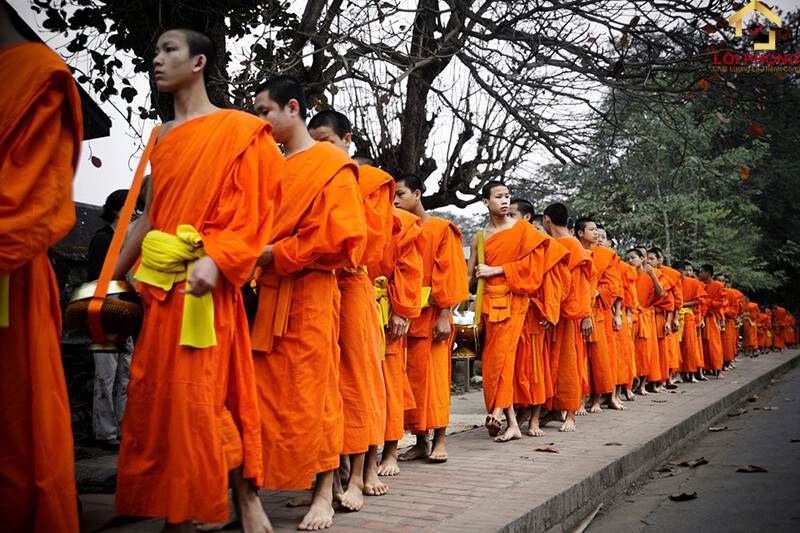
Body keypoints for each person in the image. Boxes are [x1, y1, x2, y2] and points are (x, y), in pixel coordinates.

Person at [112, 28, 282, 531]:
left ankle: (245, 499)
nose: (156, 60)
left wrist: (219, 256)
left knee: (204, 396)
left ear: (199, 62)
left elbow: (257, 209)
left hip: (206, 289)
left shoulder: (238, 128)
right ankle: (177, 504)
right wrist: (108, 281)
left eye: (168, 50)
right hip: (160, 289)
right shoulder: (162, 136)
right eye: (155, 51)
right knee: (156, 399)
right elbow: (147, 218)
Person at [250, 75, 366, 530]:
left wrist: (278, 253)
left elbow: (342, 236)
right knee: (263, 398)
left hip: (313, 293)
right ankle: (252, 494)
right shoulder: (269, 166)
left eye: (265, 112)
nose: (261, 121)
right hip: (268, 294)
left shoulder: (331, 163)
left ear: (291, 108)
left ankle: (323, 492)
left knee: (315, 395)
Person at [0, 5, 83, 530]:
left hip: (7, 278)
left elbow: (33, 205)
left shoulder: (37, 77)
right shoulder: (162, 140)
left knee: (15, 437)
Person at [307, 110, 392, 508]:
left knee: (358, 378)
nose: (318, 149)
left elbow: (369, 242)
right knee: (319, 380)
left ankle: (359, 475)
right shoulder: (306, 174)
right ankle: (322, 476)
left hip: (352, 283)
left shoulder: (369, 182)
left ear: (347, 139)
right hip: (314, 283)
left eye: (325, 140)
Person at [394, 174, 468, 461]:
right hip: (404, 316)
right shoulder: (399, 229)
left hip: (434, 315)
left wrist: (445, 314)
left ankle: (440, 441)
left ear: (417, 193)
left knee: (435, 380)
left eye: (400, 194)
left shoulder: (440, 229)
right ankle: (420, 441)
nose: (396, 200)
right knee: (411, 382)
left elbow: (448, 273)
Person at [468, 183, 548, 442]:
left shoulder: (522, 229)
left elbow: (535, 265)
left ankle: (499, 410)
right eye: (498, 197)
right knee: (496, 362)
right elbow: (469, 275)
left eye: (507, 197)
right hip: (489, 305)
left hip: (514, 300)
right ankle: (511, 422)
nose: (504, 201)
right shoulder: (479, 237)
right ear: (485, 202)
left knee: (504, 357)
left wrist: (498, 269)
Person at [369, 197, 423, 477]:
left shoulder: (402, 223)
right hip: (352, 305)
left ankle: (390, 453)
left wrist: (401, 311)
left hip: (387, 312)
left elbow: (410, 271)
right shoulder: (349, 210)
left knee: (390, 382)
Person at [508, 199, 570, 436]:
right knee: (513, 370)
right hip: (512, 314)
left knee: (535, 371)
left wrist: (550, 311)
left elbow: (558, 285)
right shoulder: (509, 244)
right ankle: (516, 415)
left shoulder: (546, 247)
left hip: (535, 316)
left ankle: (534, 420)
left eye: (513, 214)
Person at [539, 203, 593, 433]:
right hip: (549, 314)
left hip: (568, 315)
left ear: (547, 219)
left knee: (569, 365)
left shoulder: (573, 246)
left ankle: (570, 413)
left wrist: (584, 315)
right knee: (550, 365)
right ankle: (553, 408)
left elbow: (581, 285)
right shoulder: (551, 244)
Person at [88, 189, 132, 448]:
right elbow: (93, 277)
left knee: (125, 371)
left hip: (123, 309)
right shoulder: (102, 238)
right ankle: (105, 432)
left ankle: (124, 427)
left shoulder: (126, 239)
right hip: (104, 308)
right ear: (117, 209)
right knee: (106, 371)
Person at [575, 218, 622, 412]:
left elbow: (613, 285)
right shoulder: (573, 251)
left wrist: (597, 292)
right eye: (592, 230)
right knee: (577, 357)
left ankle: (595, 399)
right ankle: (576, 400)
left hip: (596, 311)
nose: (596, 233)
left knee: (598, 358)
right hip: (576, 310)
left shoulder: (605, 256)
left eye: (597, 230)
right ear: (580, 233)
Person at [625, 248, 664, 396]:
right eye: (627, 259)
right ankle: (630, 383)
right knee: (631, 352)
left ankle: (642, 384)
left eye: (633, 257)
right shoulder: (628, 275)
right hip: (631, 316)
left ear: (643, 259)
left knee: (645, 353)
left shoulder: (650, 276)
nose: (630, 261)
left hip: (645, 317)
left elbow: (660, 294)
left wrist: (653, 275)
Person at [698, 264, 726, 377]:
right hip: (702, 318)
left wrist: (707, 302)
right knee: (703, 345)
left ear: (708, 273)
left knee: (715, 345)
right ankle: (706, 368)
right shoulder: (700, 285)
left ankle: (718, 369)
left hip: (711, 318)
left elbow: (720, 303)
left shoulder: (718, 286)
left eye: (701, 272)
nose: (699, 274)